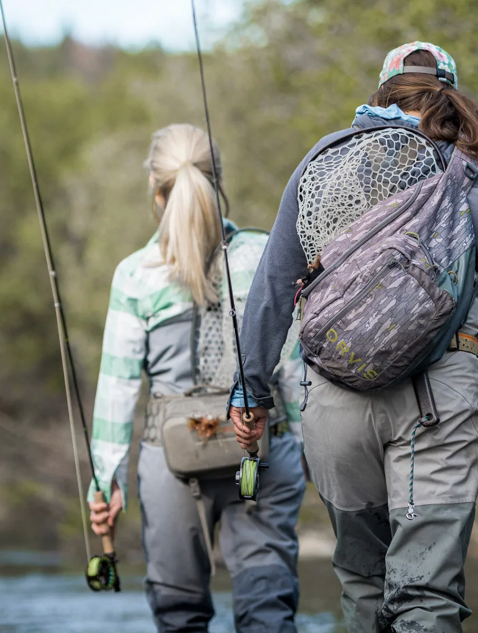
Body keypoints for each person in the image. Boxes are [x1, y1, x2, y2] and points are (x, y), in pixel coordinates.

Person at [229, 42, 478, 633]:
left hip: (335, 401)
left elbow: (272, 287)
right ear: (451, 92)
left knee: (363, 587)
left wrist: (249, 392)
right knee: (425, 596)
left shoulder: (325, 165)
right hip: (441, 399)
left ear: (379, 95)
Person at [88, 123, 306, 633]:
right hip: (262, 452)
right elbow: (295, 369)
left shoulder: (136, 274)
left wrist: (107, 482)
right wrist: (309, 447)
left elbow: (117, 392)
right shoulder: (266, 253)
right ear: (219, 179)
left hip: (171, 464)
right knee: (268, 612)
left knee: (179, 615)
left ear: (155, 189)